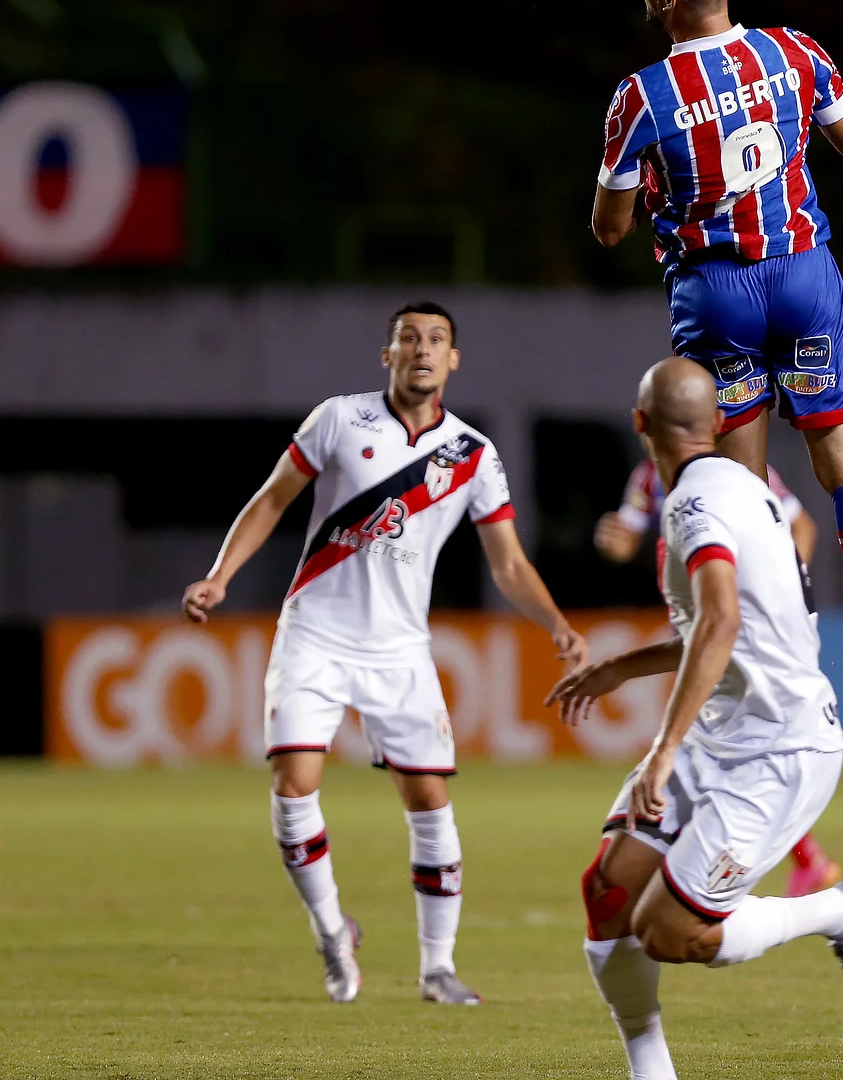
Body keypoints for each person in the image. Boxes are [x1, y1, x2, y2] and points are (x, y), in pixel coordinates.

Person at [588, 0, 843, 722]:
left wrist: (652, 195)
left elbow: (609, 228)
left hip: (716, 295)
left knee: (745, 491)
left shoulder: (640, 96)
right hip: (805, 279)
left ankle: (790, 647)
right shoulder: (795, 52)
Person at [183, 302, 587, 1006]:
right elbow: (272, 499)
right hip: (314, 630)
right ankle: (332, 930)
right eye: (409, 338)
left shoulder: (473, 455)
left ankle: (437, 967)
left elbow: (509, 563)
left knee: (429, 798)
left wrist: (556, 623)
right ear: (387, 354)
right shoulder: (338, 419)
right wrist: (220, 575)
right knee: (293, 782)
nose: (422, 349)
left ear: (453, 359)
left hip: (399, 647)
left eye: (436, 339)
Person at [544, 358, 843, 1080]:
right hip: (727, 730)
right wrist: (619, 669)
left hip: (779, 750)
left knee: (668, 929)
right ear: (716, 423)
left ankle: (839, 908)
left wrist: (662, 748)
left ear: (641, 425)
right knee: (608, 891)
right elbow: (725, 625)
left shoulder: (694, 504)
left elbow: (723, 621)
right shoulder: (750, 487)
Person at [595, 456, 842, 897]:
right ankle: (802, 860)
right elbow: (626, 538)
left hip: (735, 623)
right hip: (696, 616)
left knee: (725, 737)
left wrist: (778, 589)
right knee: (714, 736)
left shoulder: (747, 473)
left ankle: (779, 862)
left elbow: (804, 528)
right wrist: (613, 541)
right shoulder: (648, 476)